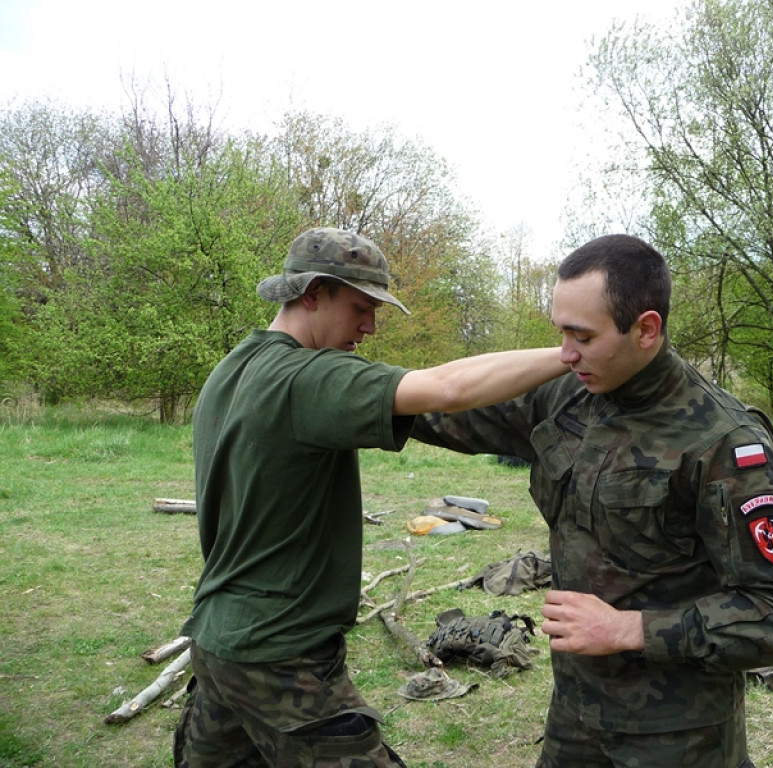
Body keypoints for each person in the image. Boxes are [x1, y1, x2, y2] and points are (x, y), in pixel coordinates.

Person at [412, 234, 773, 768]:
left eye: (582, 335)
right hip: (575, 716)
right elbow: (443, 407)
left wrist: (629, 629)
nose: (563, 354)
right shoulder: (568, 396)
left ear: (646, 329)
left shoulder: (722, 441)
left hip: (678, 734)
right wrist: (326, 382)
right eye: (560, 332)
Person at [173, 227, 567, 768]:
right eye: (360, 306)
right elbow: (449, 390)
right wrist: (573, 348)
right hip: (280, 656)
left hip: (216, 641)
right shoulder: (305, 377)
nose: (370, 325)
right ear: (312, 293)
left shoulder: (232, 369)